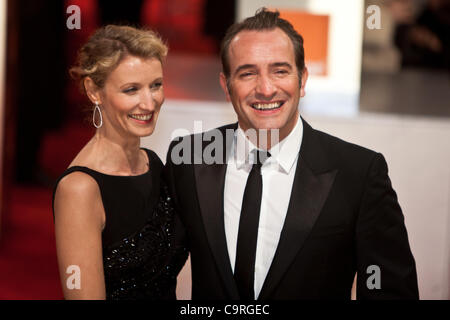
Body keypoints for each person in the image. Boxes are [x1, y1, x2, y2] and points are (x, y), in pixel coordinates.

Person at [165, 8, 419, 300]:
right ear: (226, 86)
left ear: (303, 79)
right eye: (247, 73)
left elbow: (391, 291)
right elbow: (156, 273)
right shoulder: (190, 159)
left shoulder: (358, 174)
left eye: (280, 71)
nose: (265, 88)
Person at [52, 25, 186, 300]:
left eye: (156, 85)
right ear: (94, 91)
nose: (149, 103)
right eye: (131, 90)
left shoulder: (154, 164)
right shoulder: (79, 189)